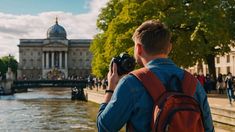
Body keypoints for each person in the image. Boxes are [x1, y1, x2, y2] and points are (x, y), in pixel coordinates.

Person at [97, 20, 214, 131]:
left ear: (138, 48)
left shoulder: (131, 83)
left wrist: (110, 88)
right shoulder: (193, 83)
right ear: (169, 48)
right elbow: (208, 129)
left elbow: (104, 127)